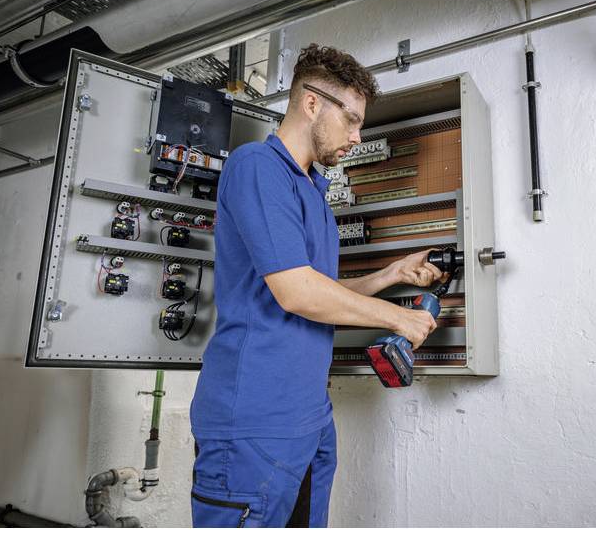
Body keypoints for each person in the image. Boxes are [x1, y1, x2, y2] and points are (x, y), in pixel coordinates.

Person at [189, 44, 445, 527]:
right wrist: (399, 317)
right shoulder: (257, 167)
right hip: (254, 423)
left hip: (308, 419)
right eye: (351, 120)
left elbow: (319, 288)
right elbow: (298, 293)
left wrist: (389, 276)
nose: (357, 135)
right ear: (312, 104)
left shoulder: (312, 193)